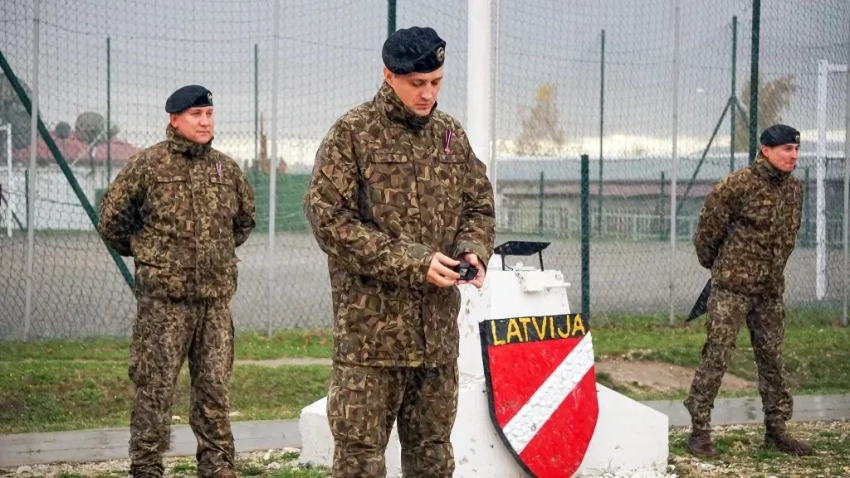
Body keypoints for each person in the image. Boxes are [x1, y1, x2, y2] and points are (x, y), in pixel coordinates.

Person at [303, 26, 496, 478]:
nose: (428, 94)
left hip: (436, 340)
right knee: (360, 460)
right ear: (389, 75)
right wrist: (415, 262)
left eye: (437, 82)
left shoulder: (449, 135)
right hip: (371, 341)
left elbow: (478, 204)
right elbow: (329, 220)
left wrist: (472, 249)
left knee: (432, 455)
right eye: (417, 83)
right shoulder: (353, 133)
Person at [97, 85, 257, 478]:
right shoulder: (148, 166)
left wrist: (214, 256)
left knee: (214, 389)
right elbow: (112, 221)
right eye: (195, 115)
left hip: (214, 303)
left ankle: (217, 464)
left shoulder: (225, 169)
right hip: (164, 304)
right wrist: (150, 254)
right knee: (155, 387)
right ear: (174, 119)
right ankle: (147, 466)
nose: (205, 122)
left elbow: (243, 222)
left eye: (209, 114)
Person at [684, 124, 812, 457]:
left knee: (771, 359)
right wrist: (722, 267)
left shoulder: (794, 189)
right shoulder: (737, 185)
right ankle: (699, 432)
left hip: (769, 291)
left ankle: (776, 431)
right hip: (732, 290)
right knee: (717, 355)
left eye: (796, 149)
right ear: (766, 150)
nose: (794, 156)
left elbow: (787, 235)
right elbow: (706, 233)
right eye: (787, 149)